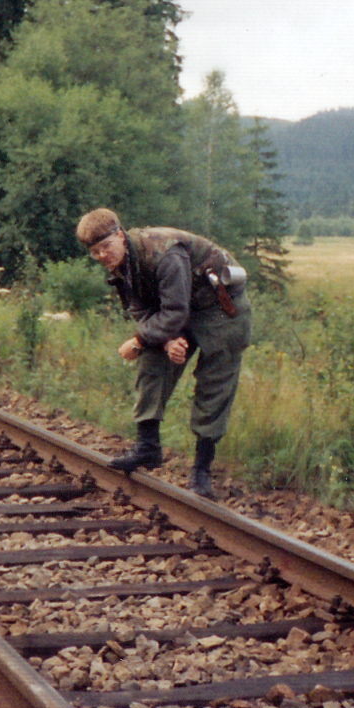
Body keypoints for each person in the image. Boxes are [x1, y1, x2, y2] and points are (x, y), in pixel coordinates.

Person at [76, 208, 251, 499]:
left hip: (220, 309)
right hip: (179, 309)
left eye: (106, 247)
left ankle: (202, 471)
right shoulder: (122, 264)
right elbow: (141, 309)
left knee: (214, 384)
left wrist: (138, 340)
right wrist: (167, 341)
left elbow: (174, 312)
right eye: (95, 252)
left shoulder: (165, 254)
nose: (103, 256)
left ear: (120, 235)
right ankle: (148, 447)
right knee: (152, 360)